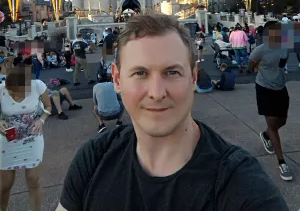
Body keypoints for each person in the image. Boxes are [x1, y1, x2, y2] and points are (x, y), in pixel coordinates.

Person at [57, 12, 288, 211]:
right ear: (117, 78)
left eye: (172, 72)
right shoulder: (94, 159)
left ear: (194, 77)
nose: (157, 93)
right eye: (140, 73)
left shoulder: (241, 185)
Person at [0, 64, 51, 211]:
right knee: (5, 184)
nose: (14, 96)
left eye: (18, 93)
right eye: (11, 93)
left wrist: (41, 120)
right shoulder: (1, 89)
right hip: (7, 140)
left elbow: (48, 107)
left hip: (32, 138)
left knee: (33, 180)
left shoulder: (38, 86)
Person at [249, 21, 292, 181]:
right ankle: (282, 163)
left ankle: (266, 134)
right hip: (264, 88)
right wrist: (252, 69)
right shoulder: (260, 50)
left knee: (282, 121)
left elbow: (282, 64)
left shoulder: (284, 48)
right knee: (273, 123)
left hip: (280, 88)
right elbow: (252, 63)